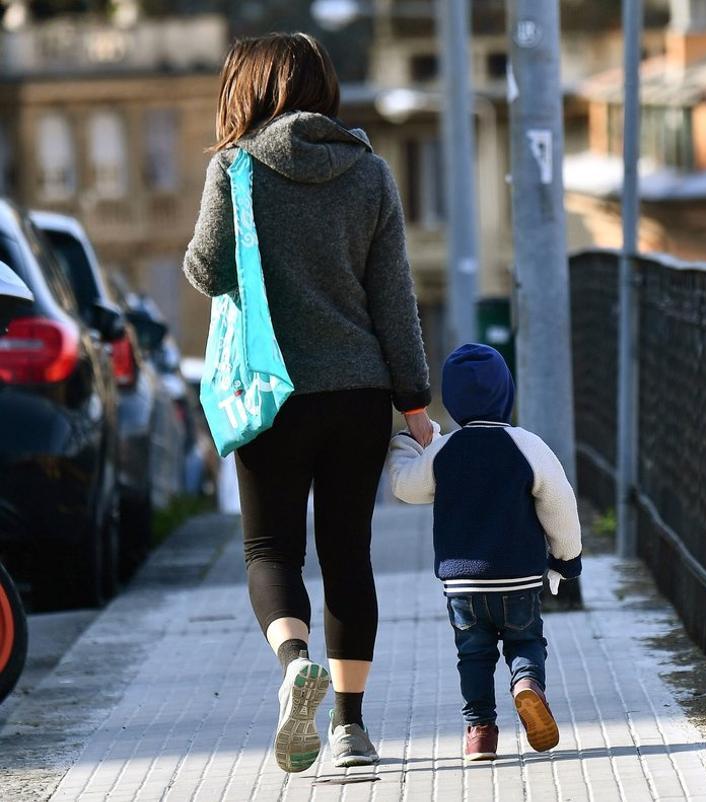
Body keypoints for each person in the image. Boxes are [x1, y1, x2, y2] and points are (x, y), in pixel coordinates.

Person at [182, 33, 435, 772]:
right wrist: (414, 402)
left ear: (249, 90)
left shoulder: (236, 167)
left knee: (270, 549)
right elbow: (396, 300)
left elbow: (205, 266)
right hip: (357, 395)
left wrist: (229, 191)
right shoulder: (370, 173)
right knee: (348, 555)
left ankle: (295, 663)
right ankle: (352, 730)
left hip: (271, 390)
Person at [387, 344, 583, 761]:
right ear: (507, 393)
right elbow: (559, 502)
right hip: (520, 577)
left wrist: (408, 443)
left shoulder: (446, 450)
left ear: (454, 401)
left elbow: (406, 487)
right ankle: (527, 684)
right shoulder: (527, 445)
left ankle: (480, 732)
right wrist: (567, 558)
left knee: (472, 656)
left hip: (463, 585)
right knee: (526, 642)